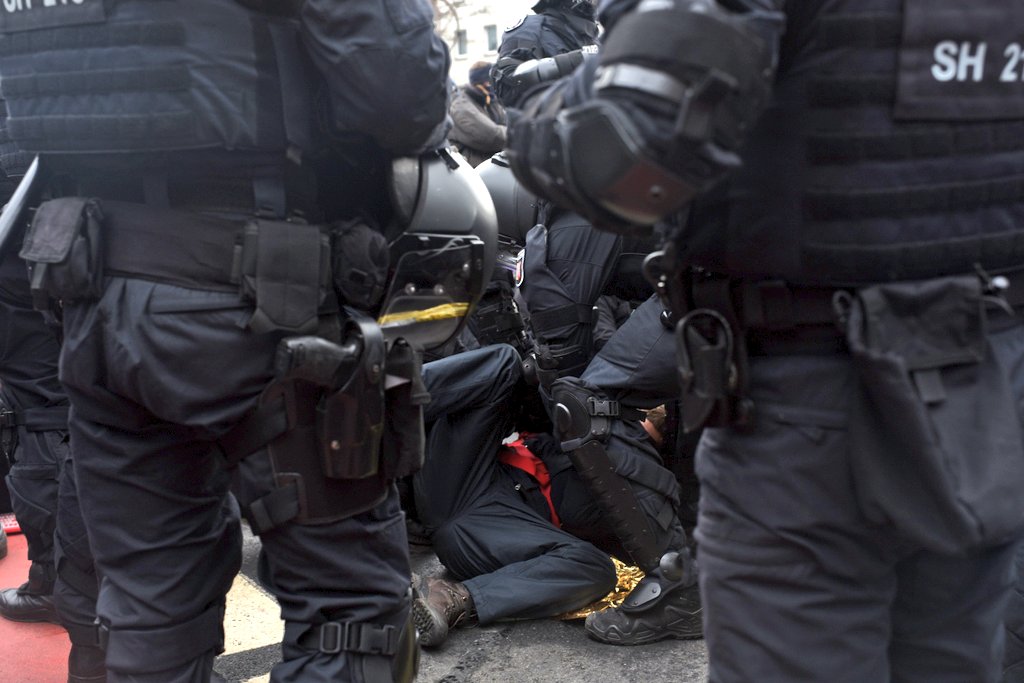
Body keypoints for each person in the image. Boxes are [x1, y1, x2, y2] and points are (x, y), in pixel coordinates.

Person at [508, 0, 1024, 680]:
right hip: (986, 391)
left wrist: (539, 114)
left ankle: (672, 588)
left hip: (811, 412)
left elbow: (621, 153)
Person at [0, 1, 458, 681]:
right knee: (351, 616)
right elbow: (402, 94)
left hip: (100, 298)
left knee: (150, 615)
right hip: (265, 296)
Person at [408, 344, 617, 647]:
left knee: (596, 568)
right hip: (472, 472)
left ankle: (451, 598)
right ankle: (375, 406)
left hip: (490, 526)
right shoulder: (599, 417)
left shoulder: (631, 484)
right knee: (505, 363)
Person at [491, 0, 599, 109]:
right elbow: (507, 83)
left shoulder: (593, 36)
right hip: (547, 122)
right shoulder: (529, 29)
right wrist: (578, 60)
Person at [448, 62, 508, 168]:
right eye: (490, 82)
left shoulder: (488, 100)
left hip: (488, 166)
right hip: (473, 171)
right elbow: (493, 137)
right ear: (480, 82)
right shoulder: (460, 106)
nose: (493, 85)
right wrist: (519, 133)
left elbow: (505, 122)